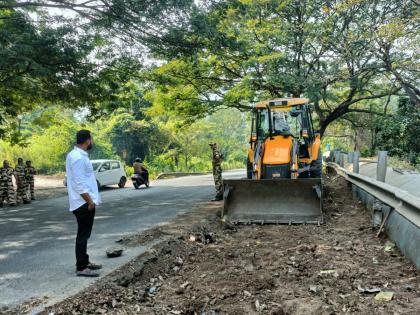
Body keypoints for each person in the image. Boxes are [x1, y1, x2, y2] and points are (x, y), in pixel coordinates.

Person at [66, 130, 102, 277]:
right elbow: (79, 183)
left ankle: (84, 262)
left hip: (82, 201)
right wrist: (89, 201)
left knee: (84, 235)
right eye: (91, 139)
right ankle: (81, 267)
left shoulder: (75, 155)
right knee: (83, 235)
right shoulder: (78, 158)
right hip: (83, 202)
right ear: (88, 140)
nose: (92, 142)